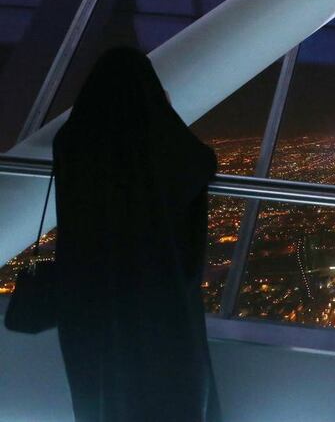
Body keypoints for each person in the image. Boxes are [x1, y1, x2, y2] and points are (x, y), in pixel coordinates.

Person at [52, 47, 222, 421]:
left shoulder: (72, 140)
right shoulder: (160, 139)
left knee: (100, 387)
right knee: (168, 385)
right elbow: (200, 163)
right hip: (157, 293)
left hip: (89, 292)